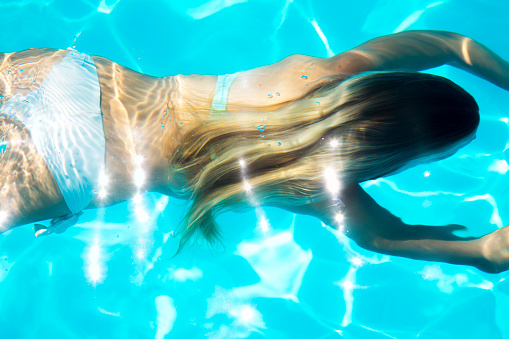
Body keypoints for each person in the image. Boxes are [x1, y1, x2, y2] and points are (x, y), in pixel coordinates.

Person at [1, 30, 508, 273]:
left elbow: (445, 44)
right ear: (399, 158)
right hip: (78, 169)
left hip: (84, 84)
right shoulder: (319, 190)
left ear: (376, 89)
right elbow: (388, 239)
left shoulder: (314, 74)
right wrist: (478, 250)